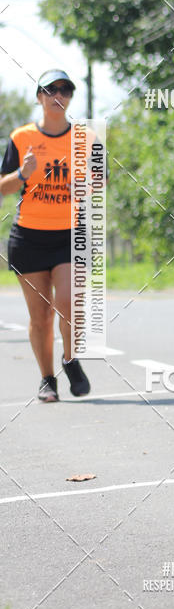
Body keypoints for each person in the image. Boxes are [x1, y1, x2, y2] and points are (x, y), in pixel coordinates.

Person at [0, 69, 91, 402]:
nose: (58, 95)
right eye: (51, 89)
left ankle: (70, 358)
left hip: (69, 235)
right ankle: (47, 379)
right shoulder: (21, 137)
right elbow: (3, 186)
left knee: (69, 302)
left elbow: (100, 182)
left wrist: (83, 183)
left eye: (65, 90)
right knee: (40, 316)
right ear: (39, 96)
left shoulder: (85, 138)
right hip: (28, 238)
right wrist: (22, 173)